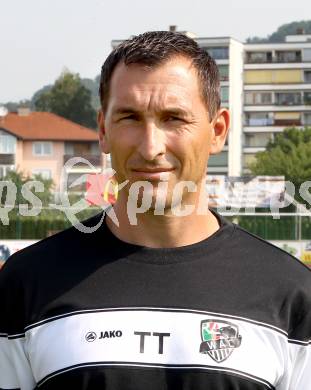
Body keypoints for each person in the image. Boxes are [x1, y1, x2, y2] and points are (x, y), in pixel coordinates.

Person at [0, 31, 310, 390]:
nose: (151, 147)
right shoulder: (25, 284)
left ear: (217, 131)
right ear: (103, 129)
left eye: (174, 118)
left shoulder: (291, 294)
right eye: (130, 118)